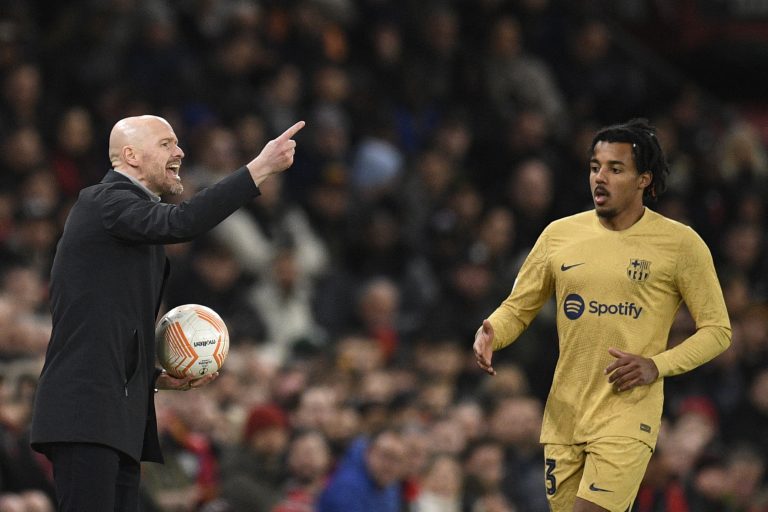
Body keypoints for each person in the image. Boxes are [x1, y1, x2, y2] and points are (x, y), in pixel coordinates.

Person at [28, 114, 305, 511]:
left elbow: (111, 322)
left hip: (115, 416)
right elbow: (184, 222)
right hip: (86, 413)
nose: (180, 152)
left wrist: (151, 374)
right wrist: (260, 168)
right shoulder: (105, 201)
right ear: (131, 156)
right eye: (166, 144)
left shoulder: (130, 223)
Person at [472, 118, 731, 512]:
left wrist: (656, 365)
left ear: (644, 179)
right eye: (595, 167)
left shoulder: (681, 244)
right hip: (564, 416)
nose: (600, 178)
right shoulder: (560, 234)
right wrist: (494, 331)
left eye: (615, 168)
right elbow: (518, 307)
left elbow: (717, 330)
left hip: (627, 414)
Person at [317, 427, 407, 512]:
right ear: (368, 453)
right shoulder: (347, 487)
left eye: (398, 460)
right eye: (386, 456)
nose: (390, 465)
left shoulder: (391, 486)